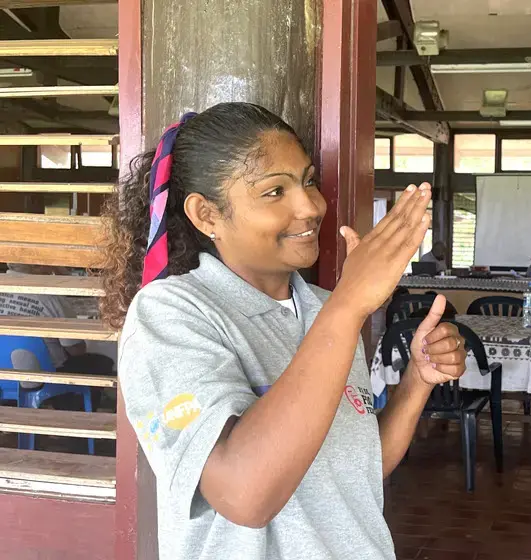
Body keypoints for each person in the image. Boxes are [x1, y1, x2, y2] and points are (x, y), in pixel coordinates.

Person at [101, 103, 468, 560]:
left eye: (309, 180)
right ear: (207, 215)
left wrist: (417, 379)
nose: (311, 206)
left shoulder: (322, 308)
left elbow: (358, 466)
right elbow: (244, 494)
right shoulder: (169, 314)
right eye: (274, 191)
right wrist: (350, 304)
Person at [0, 263, 87, 371]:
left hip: (4, 375)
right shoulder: (52, 298)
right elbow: (75, 349)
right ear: (39, 266)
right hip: (46, 375)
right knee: (101, 362)